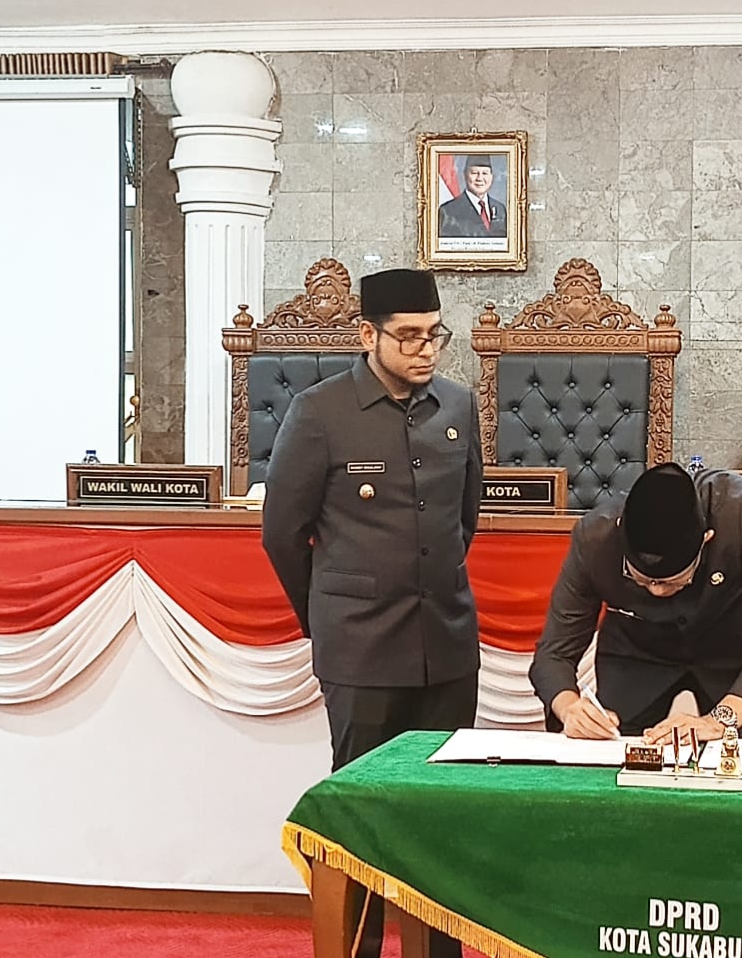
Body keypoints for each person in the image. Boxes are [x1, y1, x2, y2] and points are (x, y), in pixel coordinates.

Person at [261, 267, 481, 958]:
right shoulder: (320, 413)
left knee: (440, 812)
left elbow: (464, 520)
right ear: (367, 335)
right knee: (360, 815)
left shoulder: (459, 405)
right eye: (409, 336)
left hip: (446, 643)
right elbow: (282, 533)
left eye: (435, 335)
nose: (425, 350)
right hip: (361, 647)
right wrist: (329, 616)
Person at [529, 463, 742, 745]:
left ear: (706, 540)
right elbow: (554, 652)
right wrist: (569, 708)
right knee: (607, 753)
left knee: (737, 759)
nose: (657, 591)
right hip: (635, 654)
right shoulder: (594, 538)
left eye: (673, 582)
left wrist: (720, 720)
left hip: (731, 649)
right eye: (643, 581)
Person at [437, 156, 508, 239]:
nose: (480, 178)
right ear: (465, 175)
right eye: (474, 173)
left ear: (491, 177)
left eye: (485, 173)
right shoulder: (448, 211)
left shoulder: (500, 210)